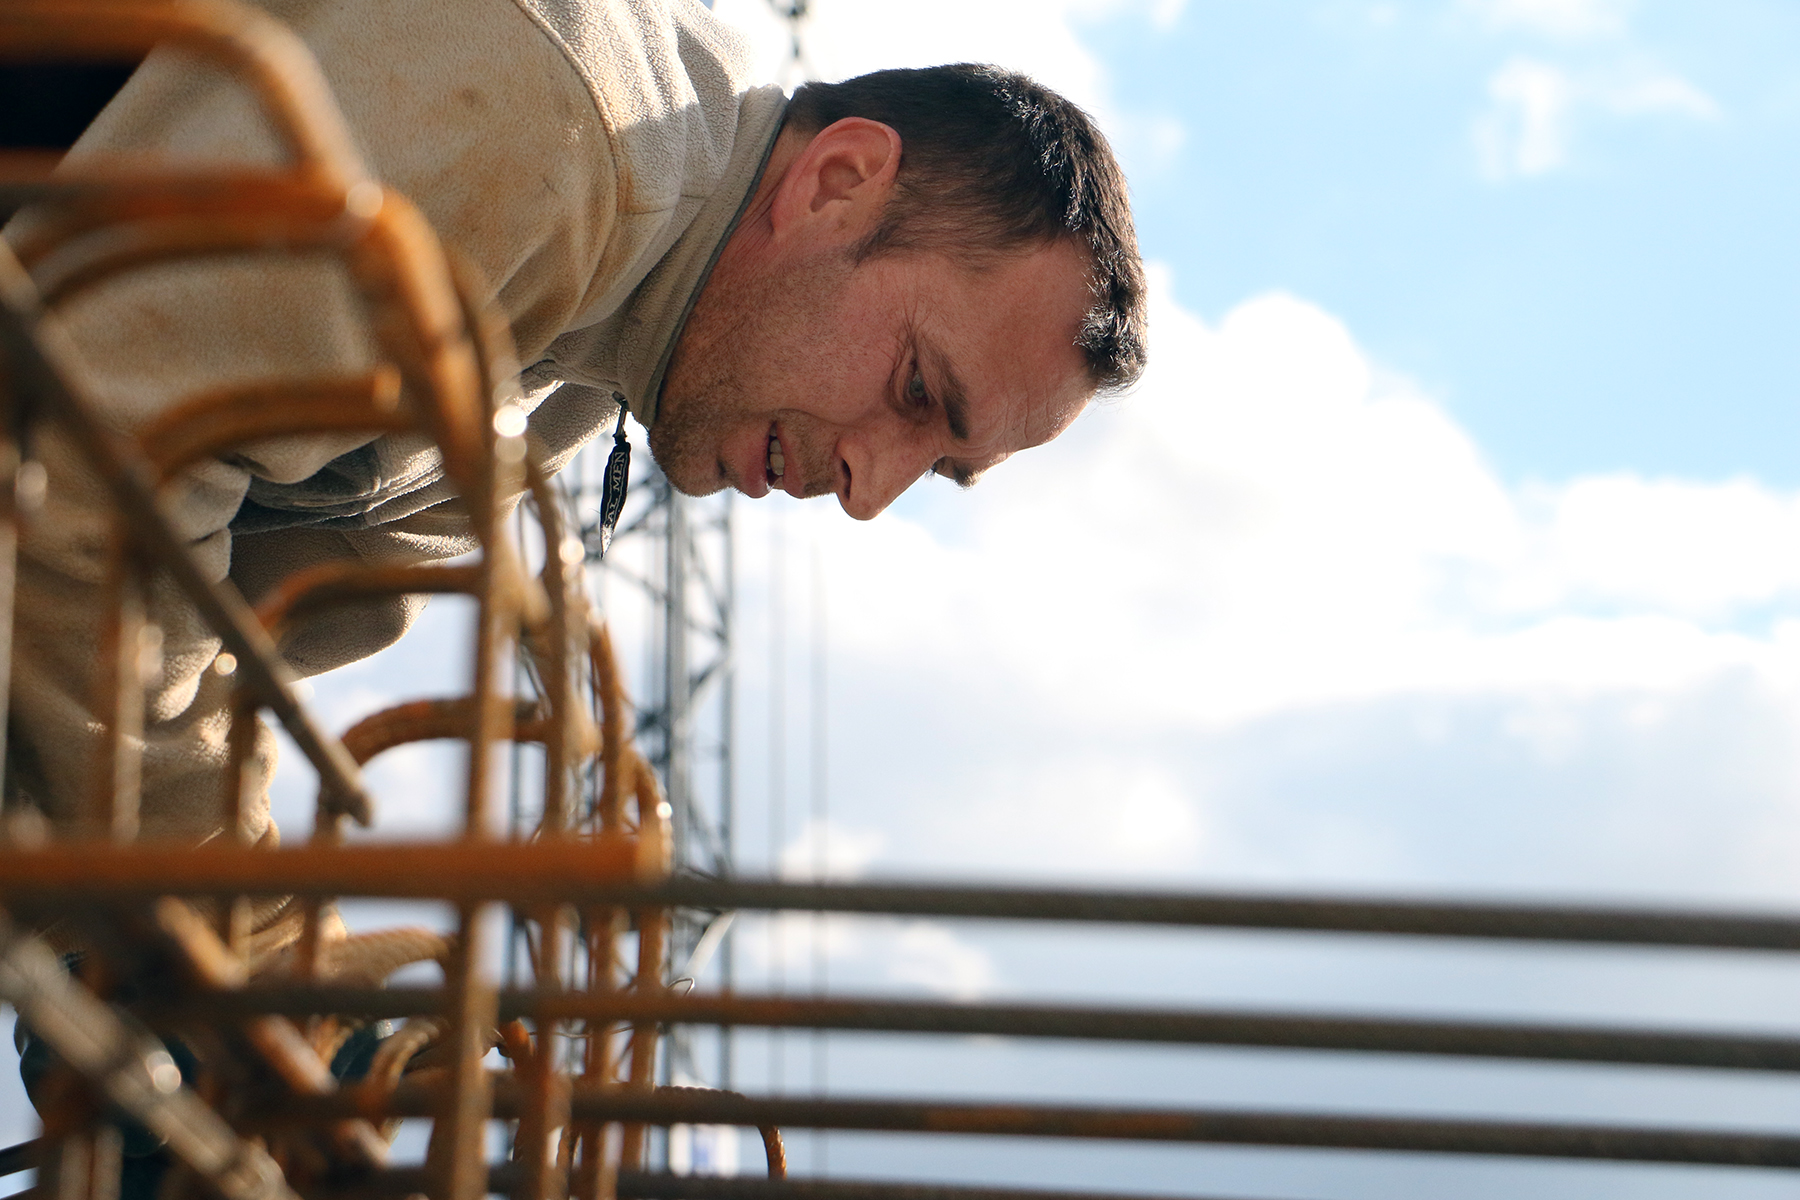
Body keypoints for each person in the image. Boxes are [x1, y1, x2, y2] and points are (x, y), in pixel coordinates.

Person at [1, 0, 1146, 866]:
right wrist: (214, 943)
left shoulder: (576, 389)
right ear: (838, 180)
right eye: (913, 389)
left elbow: (207, 658)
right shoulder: (555, 134)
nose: (866, 492)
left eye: (938, 470)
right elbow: (71, 465)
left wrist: (172, 935)